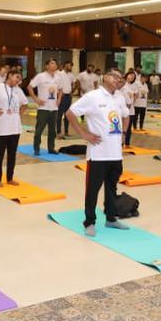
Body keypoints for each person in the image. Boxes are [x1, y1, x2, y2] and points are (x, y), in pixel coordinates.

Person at [66, 68, 133, 237]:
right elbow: (70, 113)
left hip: (115, 153)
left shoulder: (119, 97)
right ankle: (89, 222)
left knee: (112, 188)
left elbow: (126, 115)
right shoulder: (93, 97)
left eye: (120, 78)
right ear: (105, 77)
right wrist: (84, 134)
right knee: (93, 190)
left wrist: (124, 132)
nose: (119, 80)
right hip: (98, 154)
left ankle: (111, 218)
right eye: (115, 76)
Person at [27, 59, 65, 155]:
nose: (54, 65)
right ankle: (36, 149)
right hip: (43, 108)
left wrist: (59, 99)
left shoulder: (58, 77)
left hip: (54, 108)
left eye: (55, 63)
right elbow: (29, 87)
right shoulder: (40, 76)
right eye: (52, 63)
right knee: (39, 130)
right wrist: (36, 99)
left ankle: (51, 148)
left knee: (52, 131)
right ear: (46, 66)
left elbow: (61, 89)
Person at [55, 61, 76, 136]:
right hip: (61, 96)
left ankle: (66, 131)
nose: (71, 67)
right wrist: (58, 93)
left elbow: (74, 83)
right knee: (60, 114)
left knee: (67, 114)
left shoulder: (71, 75)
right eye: (70, 65)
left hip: (68, 96)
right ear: (66, 65)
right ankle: (58, 131)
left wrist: (72, 91)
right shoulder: (59, 73)